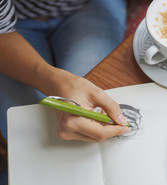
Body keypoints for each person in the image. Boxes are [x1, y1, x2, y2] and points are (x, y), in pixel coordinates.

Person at [0, 0, 131, 143]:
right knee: (30, 132)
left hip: (91, 5)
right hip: (10, 29)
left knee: (91, 113)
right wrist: (57, 82)